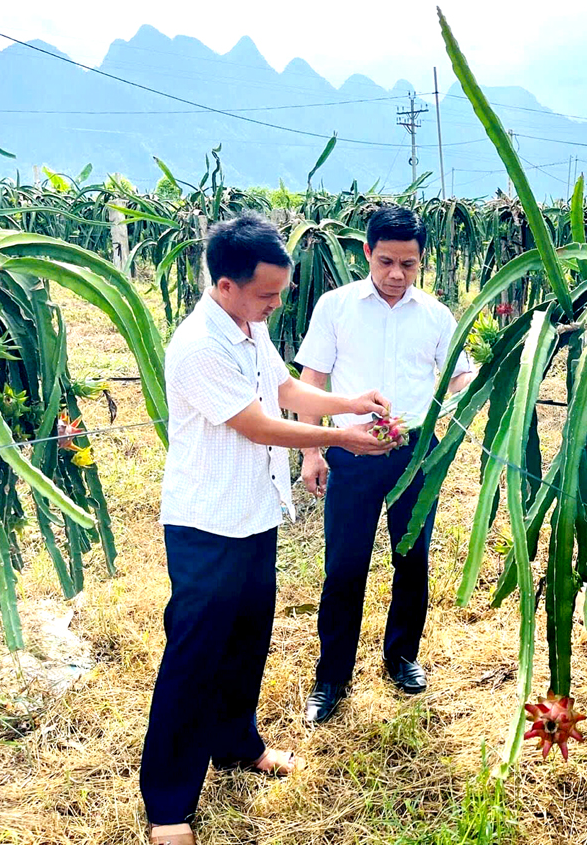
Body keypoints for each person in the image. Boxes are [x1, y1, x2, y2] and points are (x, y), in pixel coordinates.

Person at [142, 212, 393, 845]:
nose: (276, 305)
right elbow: (257, 424)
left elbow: (283, 389)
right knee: (194, 656)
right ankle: (167, 805)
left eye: (279, 293)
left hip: (254, 512)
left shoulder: (248, 329)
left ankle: (235, 743)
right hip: (207, 523)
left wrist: (350, 401)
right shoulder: (198, 344)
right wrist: (343, 441)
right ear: (223, 284)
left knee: (248, 638)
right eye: (266, 294)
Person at [295, 204, 474, 723]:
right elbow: (313, 380)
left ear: (422, 262)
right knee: (345, 564)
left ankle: (402, 657)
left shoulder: (437, 316)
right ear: (367, 253)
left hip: (416, 451)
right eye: (387, 261)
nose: (397, 274)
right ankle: (332, 676)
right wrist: (313, 449)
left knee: (411, 558)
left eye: (410, 264)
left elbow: (459, 379)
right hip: (352, 449)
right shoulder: (336, 307)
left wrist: (465, 408)